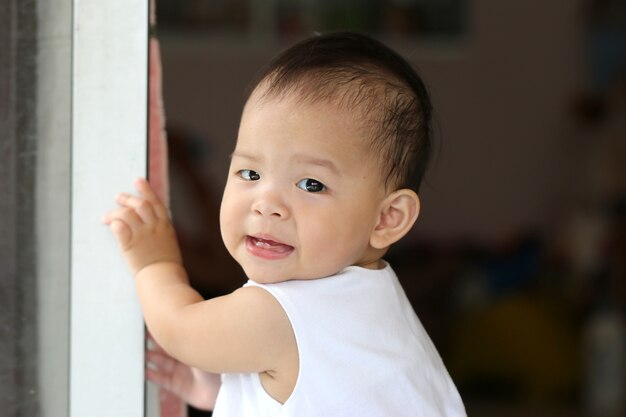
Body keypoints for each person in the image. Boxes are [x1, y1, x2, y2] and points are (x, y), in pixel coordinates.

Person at [103, 31, 466, 416]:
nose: (267, 204)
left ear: (387, 218)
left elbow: (178, 329)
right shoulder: (376, 305)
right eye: (250, 173)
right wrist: (226, 394)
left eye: (311, 184)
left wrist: (155, 262)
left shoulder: (279, 312)